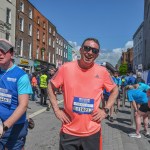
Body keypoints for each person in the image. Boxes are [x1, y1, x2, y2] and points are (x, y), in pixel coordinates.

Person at [47, 38, 118, 150]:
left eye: (94, 51)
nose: (90, 52)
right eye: (87, 48)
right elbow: (50, 86)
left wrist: (106, 110)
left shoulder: (102, 71)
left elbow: (115, 90)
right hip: (69, 131)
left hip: (92, 132)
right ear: (81, 50)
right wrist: (56, 110)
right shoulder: (66, 68)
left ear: (97, 55)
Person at [0, 39, 32, 149]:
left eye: (3, 50)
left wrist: (4, 127)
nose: (0, 53)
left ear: (12, 54)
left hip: (14, 128)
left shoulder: (21, 76)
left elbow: (23, 105)